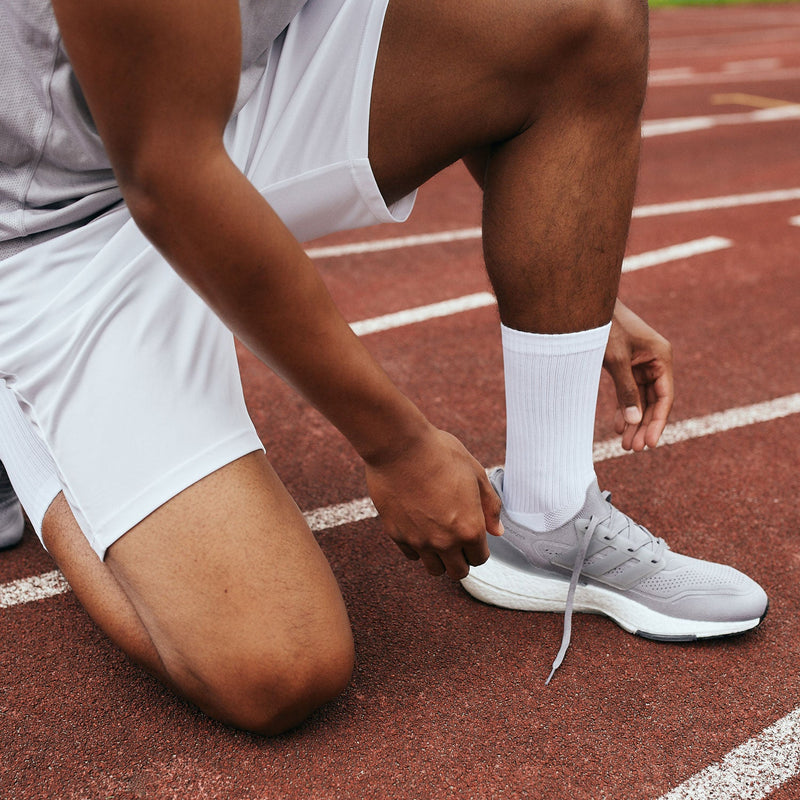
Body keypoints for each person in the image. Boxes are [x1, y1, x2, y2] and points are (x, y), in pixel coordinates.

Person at [0, 0, 767, 734]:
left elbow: (493, 50)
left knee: (579, 17)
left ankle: (551, 513)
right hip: (58, 221)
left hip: (236, 96)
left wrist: (572, 267)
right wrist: (396, 444)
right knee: (278, 668)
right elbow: (168, 175)